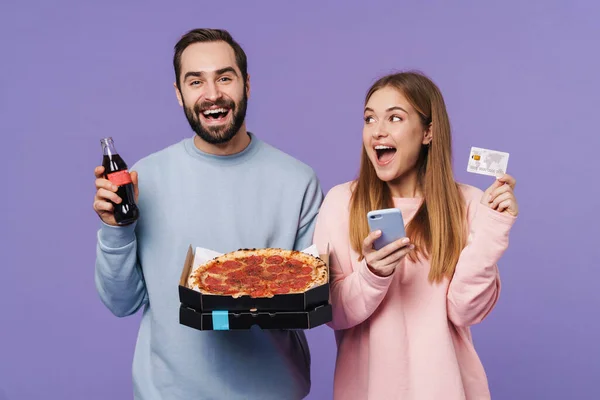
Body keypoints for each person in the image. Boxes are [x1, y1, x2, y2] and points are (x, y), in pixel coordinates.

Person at [92, 28, 323, 400]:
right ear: (178, 93)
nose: (212, 94)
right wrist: (116, 231)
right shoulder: (144, 179)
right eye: (196, 81)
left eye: (225, 78)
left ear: (246, 84)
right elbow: (121, 303)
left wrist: (238, 296)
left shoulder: (298, 180)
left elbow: (311, 300)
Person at [312, 71, 519, 399]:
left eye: (394, 117)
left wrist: (492, 230)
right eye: (369, 118)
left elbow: (466, 311)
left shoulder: (468, 203)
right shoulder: (341, 203)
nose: (378, 130)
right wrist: (373, 274)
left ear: (428, 132)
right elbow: (332, 314)